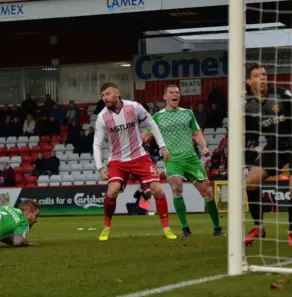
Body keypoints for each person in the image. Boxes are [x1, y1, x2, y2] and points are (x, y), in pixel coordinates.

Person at [93, 82, 177, 241]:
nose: (105, 98)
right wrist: (100, 167)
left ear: (117, 92)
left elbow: (151, 123)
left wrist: (163, 146)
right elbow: (97, 143)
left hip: (139, 156)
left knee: (157, 190)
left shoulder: (134, 107)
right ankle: (106, 227)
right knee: (113, 190)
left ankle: (166, 228)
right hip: (117, 160)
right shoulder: (102, 118)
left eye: (108, 94)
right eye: (103, 95)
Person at [244, 64, 292, 246]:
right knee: (251, 182)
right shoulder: (249, 106)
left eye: (264, 75)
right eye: (258, 76)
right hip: (274, 146)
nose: (263, 78)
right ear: (249, 81)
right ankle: (259, 228)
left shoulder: (283, 95)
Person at [142, 85, 223, 237]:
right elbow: (144, 137)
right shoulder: (158, 117)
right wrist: (144, 150)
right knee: (177, 187)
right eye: (172, 93)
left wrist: (204, 147)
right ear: (165, 97)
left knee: (207, 192)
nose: (175, 95)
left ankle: (217, 227)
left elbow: (196, 133)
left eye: (177, 93)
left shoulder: (188, 113)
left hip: (191, 158)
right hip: (172, 160)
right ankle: (185, 228)